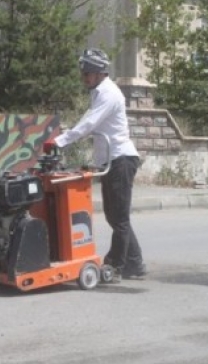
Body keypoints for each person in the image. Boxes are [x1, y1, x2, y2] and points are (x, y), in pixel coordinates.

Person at [43, 48, 146, 282]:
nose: (84, 78)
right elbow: (88, 121)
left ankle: (116, 265)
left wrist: (60, 141)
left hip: (121, 159)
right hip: (110, 160)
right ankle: (135, 262)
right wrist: (65, 135)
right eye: (83, 73)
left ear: (100, 73)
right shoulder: (98, 92)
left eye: (87, 73)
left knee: (118, 217)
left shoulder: (109, 93)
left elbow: (89, 123)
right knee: (114, 216)